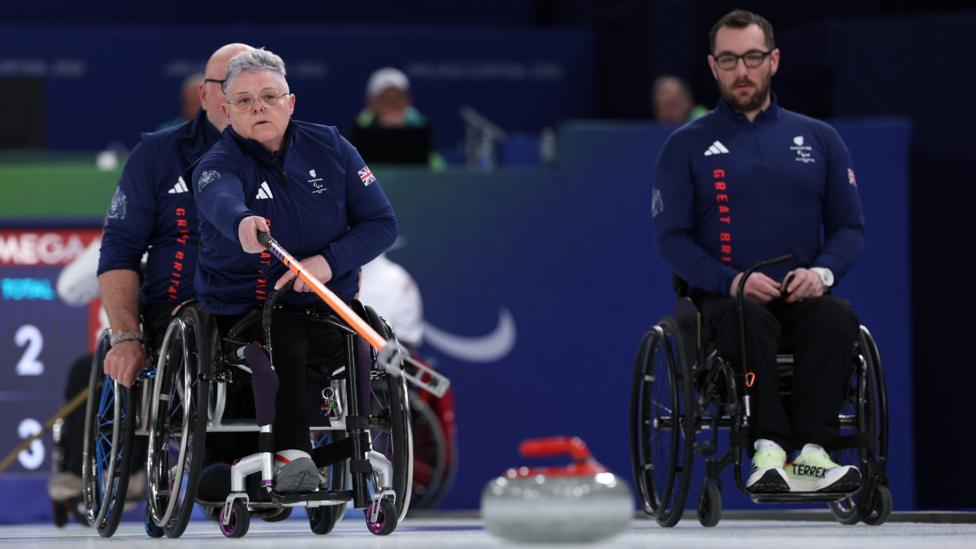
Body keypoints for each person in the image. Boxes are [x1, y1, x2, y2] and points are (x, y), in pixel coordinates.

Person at [652, 9, 864, 494]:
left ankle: (812, 455)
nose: (741, 71)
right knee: (748, 321)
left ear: (774, 60)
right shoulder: (684, 146)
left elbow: (849, 227)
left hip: (801, 292)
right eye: (729, 60)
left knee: (837, 319)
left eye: (752, 57)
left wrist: (822, 274)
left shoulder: (820, 138)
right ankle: (768, 448)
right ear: (713, 67)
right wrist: (733, 281)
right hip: (726, 298)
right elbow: (671, 238)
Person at [192, 48, 397, 492]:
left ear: (291, 102)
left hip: (326, 302)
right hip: (246, 309)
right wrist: (243, 224)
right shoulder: (216, 164)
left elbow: (382, 224)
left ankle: (354, 455)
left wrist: (325, 264)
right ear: (226, 111)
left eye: (269, 96)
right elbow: (220, 199)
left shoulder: (331, 146)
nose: (258, 107)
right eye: (244, 101)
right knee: (285, 334)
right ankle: (292, 454)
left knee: (353, 341)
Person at [351, 67, 445, 170]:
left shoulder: (422, 126)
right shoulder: (357, 128)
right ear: (371, 102)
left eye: (398, 98)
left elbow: (438, 170)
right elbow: (352, 170)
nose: (391, 104)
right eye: (384, 99)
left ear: (408, 100)